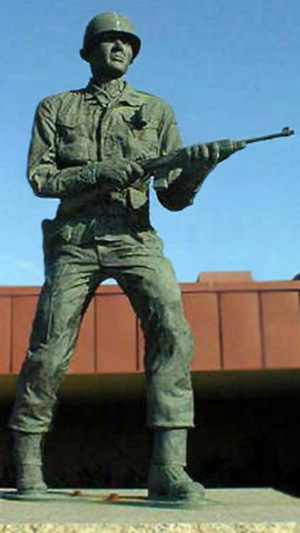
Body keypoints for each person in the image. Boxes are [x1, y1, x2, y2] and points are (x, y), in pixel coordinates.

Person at [9, 12, 241, 503]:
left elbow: (172, 197)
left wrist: (200, 171)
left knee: (173, 331)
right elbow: (40, 179)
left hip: (135, 237)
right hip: (75, 240)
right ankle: (28, 467)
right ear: (88, 51)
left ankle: (168, 469)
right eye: (108, 40)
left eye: (127, 42)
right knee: (49, 350)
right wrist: (105, 173)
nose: (119, 47)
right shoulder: (56, 107)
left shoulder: (155, 111)